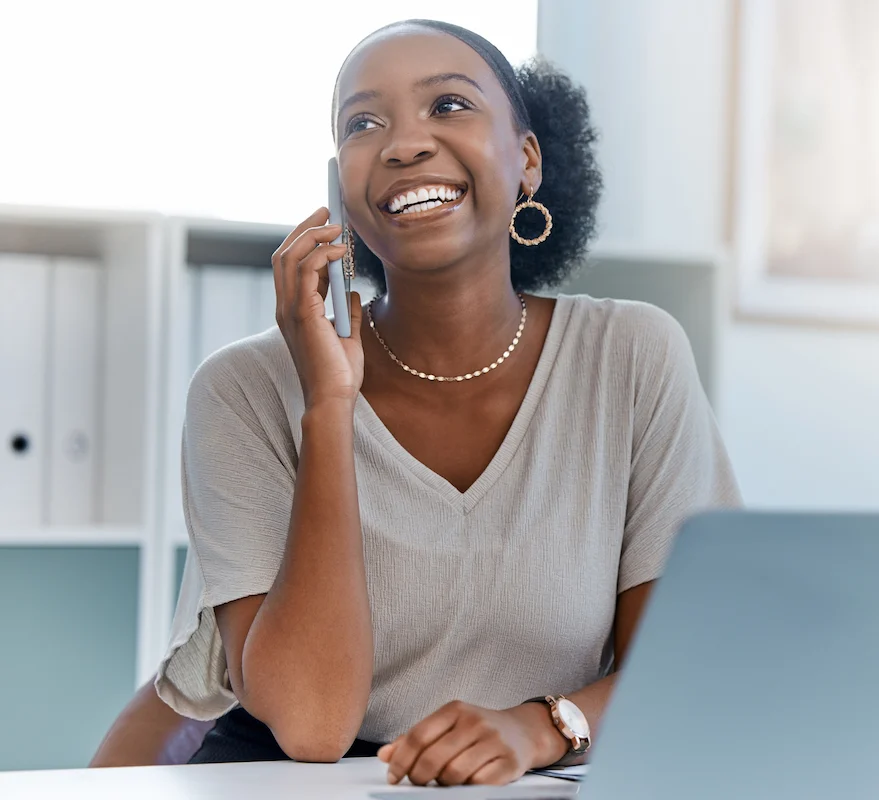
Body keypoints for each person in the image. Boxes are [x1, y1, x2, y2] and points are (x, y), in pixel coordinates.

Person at [90, 19, 739, 786]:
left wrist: (540, 728)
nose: (404, 144)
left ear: (527, 160)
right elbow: (311, 724)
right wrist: (329, 407)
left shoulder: (633, 357)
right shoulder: (242, 390)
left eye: (450, 106)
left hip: (546, 770)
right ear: (341, 188)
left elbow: (681, 673)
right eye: (364, 124)